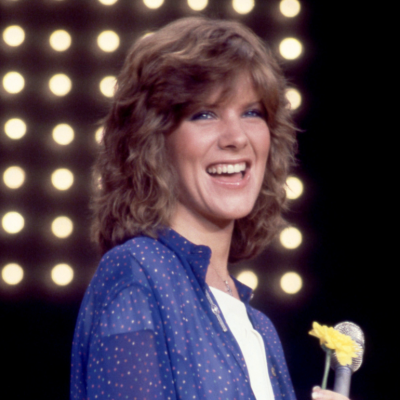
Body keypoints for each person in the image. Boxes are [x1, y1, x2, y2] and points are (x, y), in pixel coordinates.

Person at [70, 17, 350, 400]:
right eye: (205, 114)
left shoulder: (259, 328)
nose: (236, 137)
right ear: (153, 142)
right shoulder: (137, 274)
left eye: (252, 113)